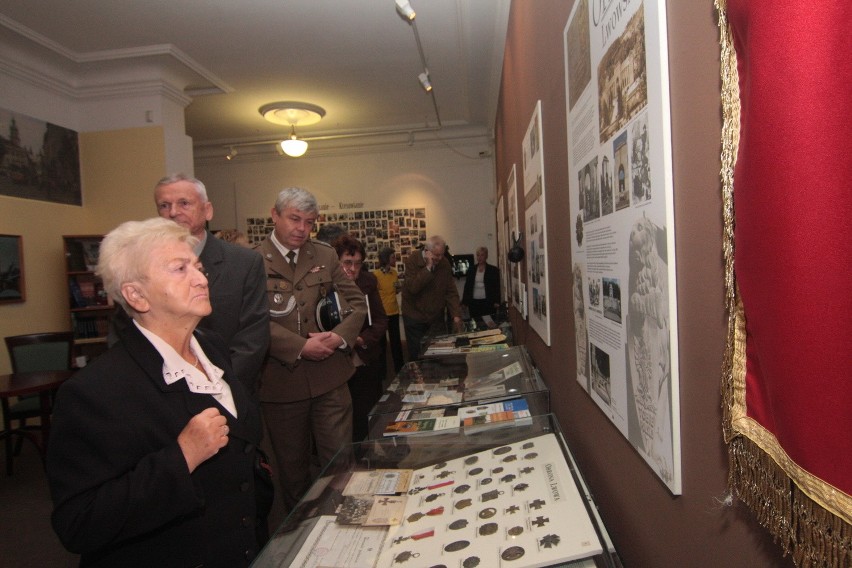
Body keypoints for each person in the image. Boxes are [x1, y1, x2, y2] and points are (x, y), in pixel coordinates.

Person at [47, 218, 270, 567]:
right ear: (136, 295)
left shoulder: (212, 348)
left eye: (197, 266)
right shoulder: (94, 392)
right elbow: (79, 523)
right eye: (179, 269)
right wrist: (181, 457)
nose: (200, 278)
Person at [257, 187, 366, 510]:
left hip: (329, 378)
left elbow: (357, 304)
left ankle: (343, 525)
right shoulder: (251, 261)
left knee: (341, 463)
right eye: (294, 219)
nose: (302, 229)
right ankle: (302, 538)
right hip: (281, 385)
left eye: (309, 222)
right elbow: (251, 321)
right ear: (275, 215)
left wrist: (338, 337)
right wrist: (300, 346)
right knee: (293, 473)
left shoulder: (324, 255)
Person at [126, 174, 268, 394]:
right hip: (162, 392)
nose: (173, 212)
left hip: (229, 389)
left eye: (184, 203)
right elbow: (126, 332)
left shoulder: (244, 263)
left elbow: (253, 338)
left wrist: (216, 387)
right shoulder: (138, 265)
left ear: (207, 210)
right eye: (164, 205)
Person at [333, 235, 388, 441]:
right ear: (337, 262)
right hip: (337, 359)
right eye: (347, 263)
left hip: (365, 355)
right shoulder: (327, 285)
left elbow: (381, 319)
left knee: (369, 408)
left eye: (357, 264)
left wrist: (362, 339)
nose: (352, 269)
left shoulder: (368, 282)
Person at [401, 235, 463, 362]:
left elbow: (450, 291)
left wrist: (456, 315)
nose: (440, 259)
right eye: (436, 255)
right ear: (427, 251)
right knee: (418, 356)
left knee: (439, 354)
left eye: (442, 254)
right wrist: (428, 268)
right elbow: (413, 287)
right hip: (415, 317)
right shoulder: (412, 260)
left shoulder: (444, 263)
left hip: (435, 317)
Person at [373, 246, 405, 374]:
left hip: (394, 311)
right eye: (393, 257)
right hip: (381, 314)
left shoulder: (394, 273)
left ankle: (400, 368)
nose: (395, 259)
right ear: (386, 258)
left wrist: (400, 287)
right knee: (381, 344)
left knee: (396, 343)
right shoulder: (376, 275)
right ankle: (382, 371)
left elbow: (396, 290)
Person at [461, 246, 501, 320]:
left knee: (488, 322)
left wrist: (497, 301)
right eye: (478, 255)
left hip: (488, 302)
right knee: (476, 322)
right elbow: (467, 287)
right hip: (474, 303)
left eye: (482, 255)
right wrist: (464, 302)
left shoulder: (493, 270)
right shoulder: (471, 270)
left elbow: (496, 286)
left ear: (486, 256)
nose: (479, 257)